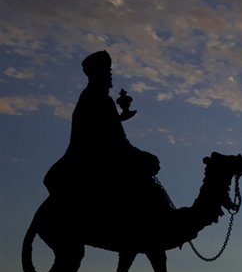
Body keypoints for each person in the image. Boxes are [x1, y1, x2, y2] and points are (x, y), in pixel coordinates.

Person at [43, 50, 163, 208]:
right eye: (107, 71)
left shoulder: (90, 96)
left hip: (93, 154)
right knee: (151, 162)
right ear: (99, 74)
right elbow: (115, 139)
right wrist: (136, 153)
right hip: (95, 156)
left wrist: (118, 119)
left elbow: (100, 126)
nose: (110, 75)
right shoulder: (100, 99)